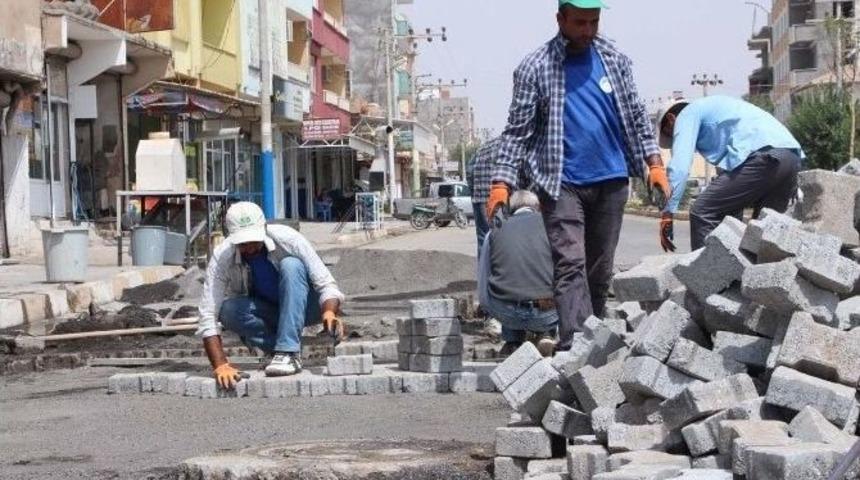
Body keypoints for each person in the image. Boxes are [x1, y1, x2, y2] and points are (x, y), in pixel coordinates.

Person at [486, 0, 668, 351]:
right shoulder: (536, 67)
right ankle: (573, 348)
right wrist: (500, 183)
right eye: (580, 23)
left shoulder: (615, 60)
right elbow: (517, 132)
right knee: (570, 264)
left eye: (594, 22)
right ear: (560, 19)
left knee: (600, 272)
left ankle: (595, 343)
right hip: (561, 182)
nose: (587, 31)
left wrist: (654, 162)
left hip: (612, 180)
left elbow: (634, 114)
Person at [198, 202, 345, 389]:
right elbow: (208, 313)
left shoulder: (288, 239)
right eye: (243, 244)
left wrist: (330, 312)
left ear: (264, 229)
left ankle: (288, 352)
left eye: (254, 242)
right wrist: (220, 365)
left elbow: (327, 285)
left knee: (292, 265)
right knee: (228, 310)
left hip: (307, 307)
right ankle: (284, 349)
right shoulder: (222, 256)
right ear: (232, 238)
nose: (250, 248)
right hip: (269, 313)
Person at [655, 96, 804, 251]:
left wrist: (668, 213)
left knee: (702, 212)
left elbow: (679, 167)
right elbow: (730, 186)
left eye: (670, 134)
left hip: (764, 156)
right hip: (791, 158)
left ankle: (704, 274)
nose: (675, 139)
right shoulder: (718, 113)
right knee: (761, 237)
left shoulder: (687, 114)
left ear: (672, 119)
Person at [479, 191, 558, 357]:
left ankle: (513, 341)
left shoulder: (495, 230)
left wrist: (490, 309)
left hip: (506, 312)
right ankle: (546, 333)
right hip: (547, 313)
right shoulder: (552, 226)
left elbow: (483, 278)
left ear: (510, 209)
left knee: (508, 287)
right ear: (538, 207)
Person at [466, 138, 500, 256]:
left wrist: (474, 194)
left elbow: (469, 170)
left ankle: (483, 273)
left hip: (479, 199)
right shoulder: (508, 145)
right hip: (499, 199)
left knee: (483, 240)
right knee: (501, 240)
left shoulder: (484, 147)